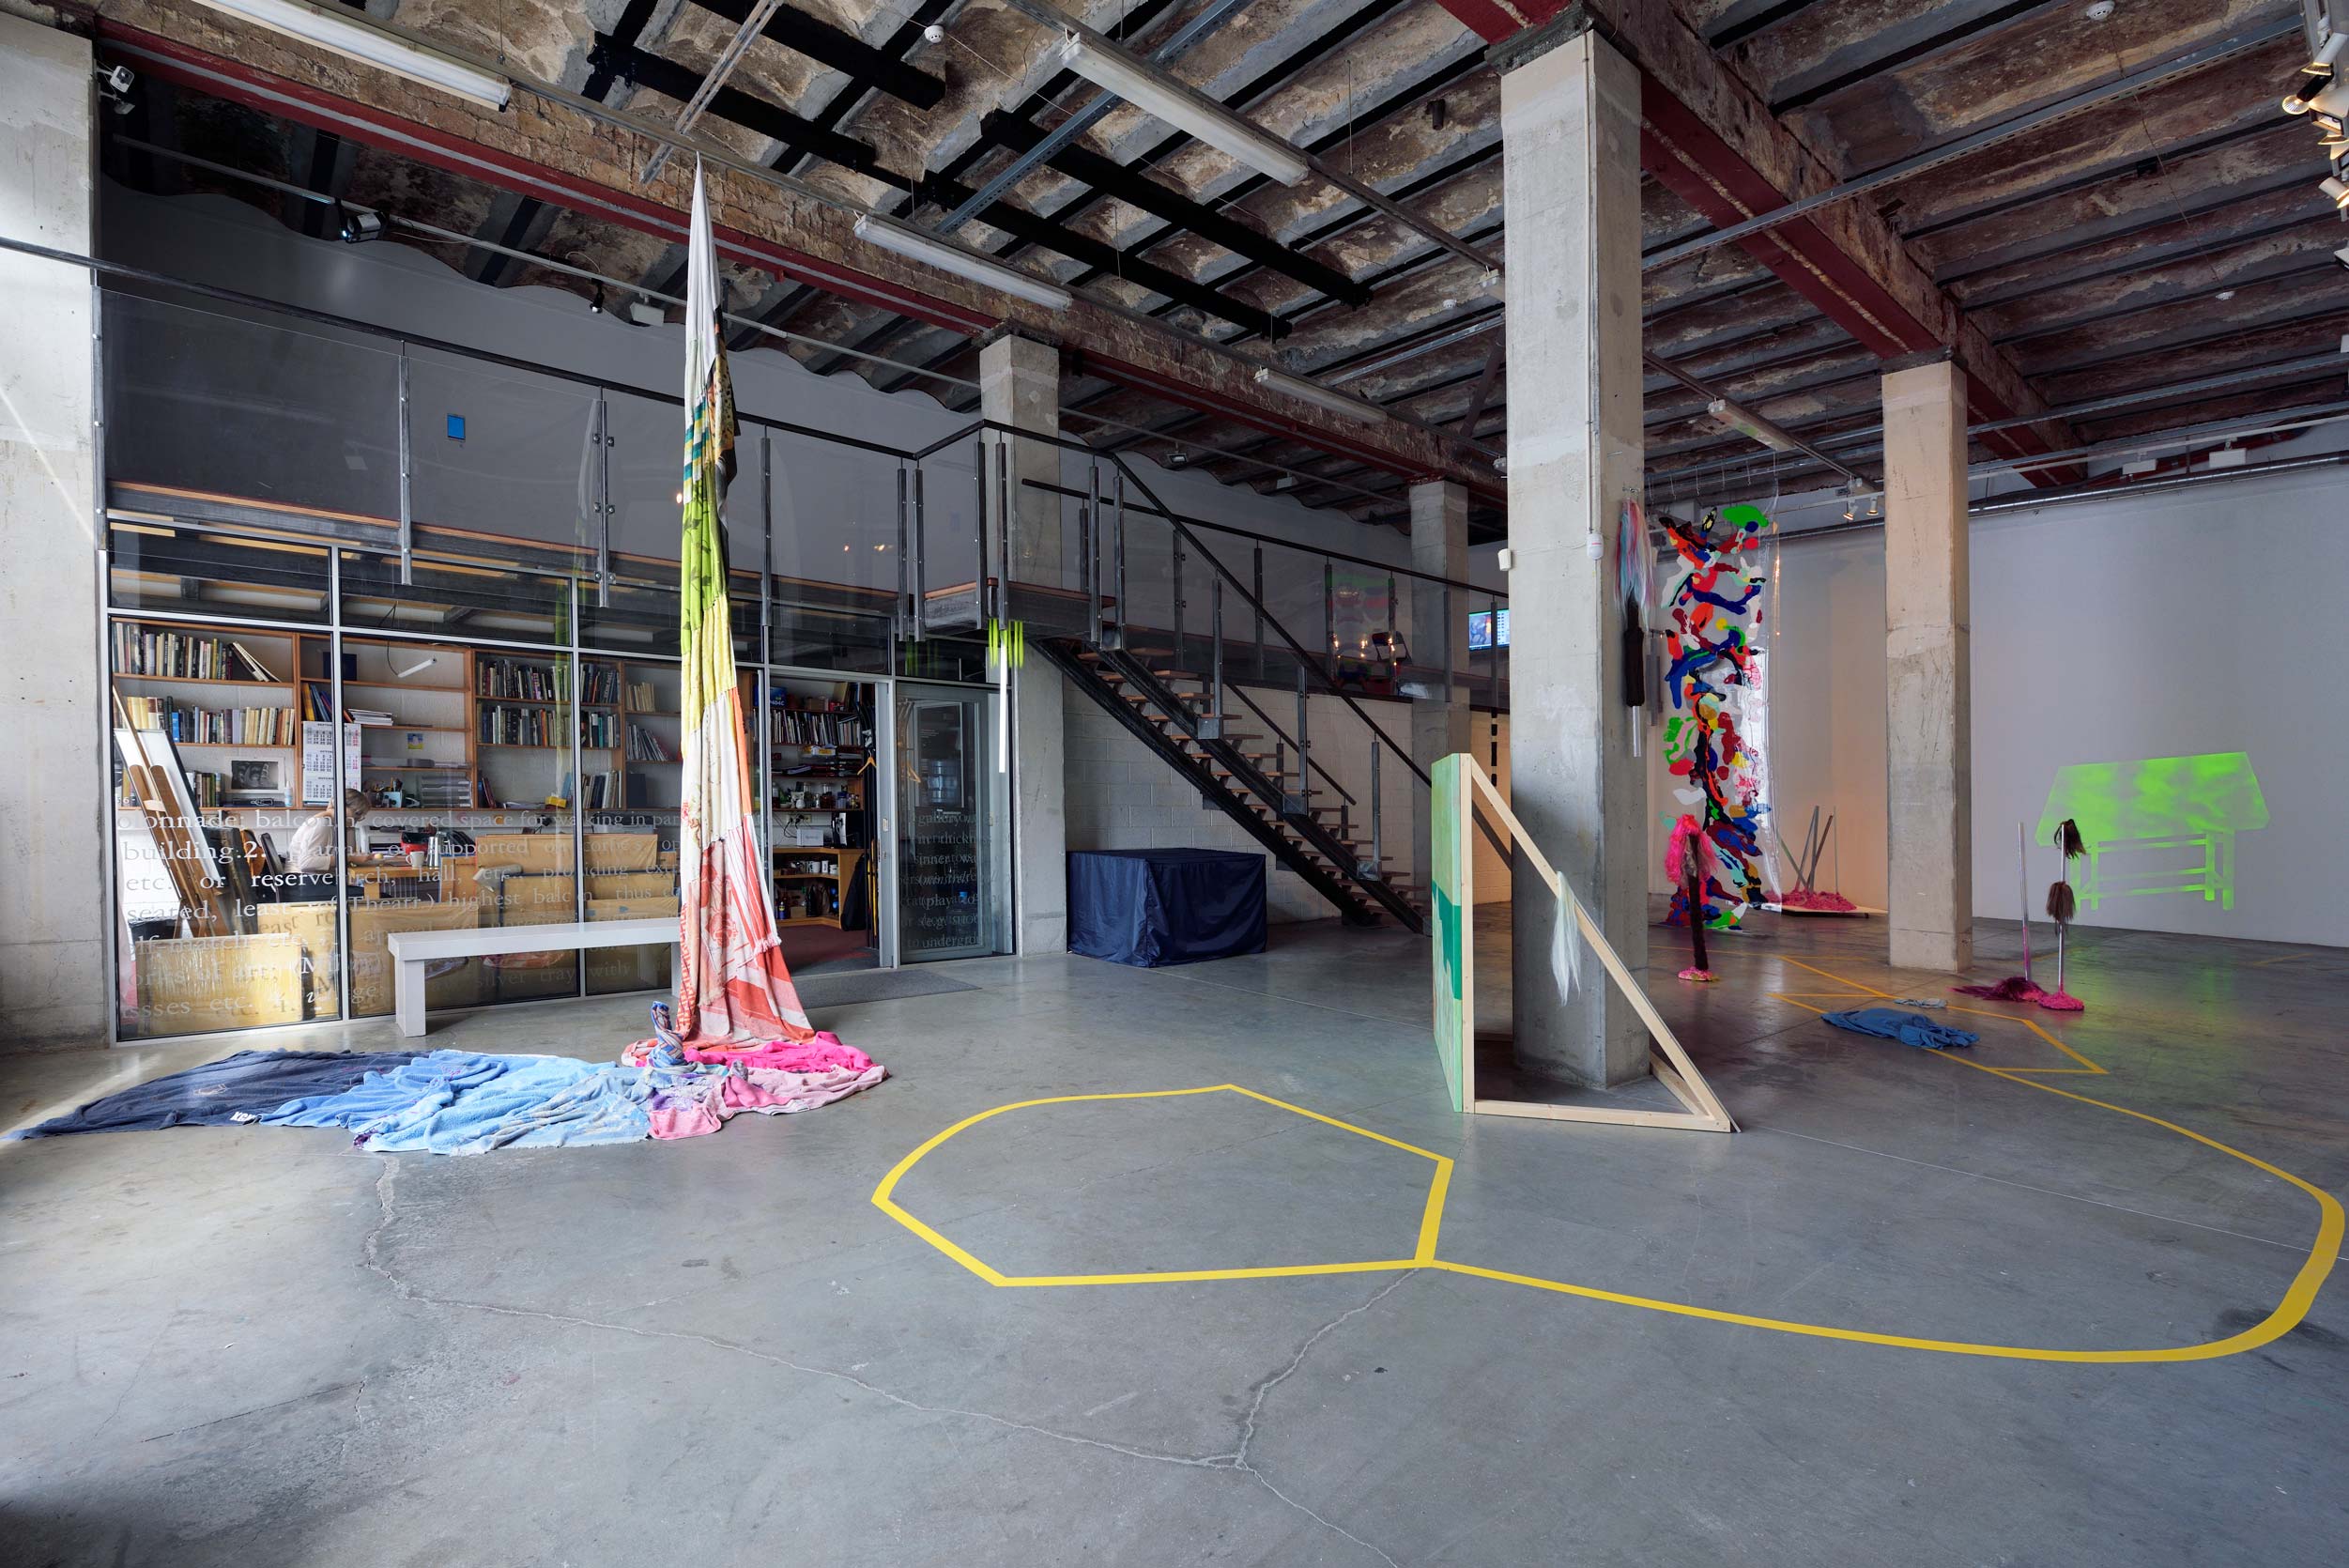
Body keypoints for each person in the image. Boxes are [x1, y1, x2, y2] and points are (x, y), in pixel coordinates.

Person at [284, 789, 374, 873]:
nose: (358, 818)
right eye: (357, 813)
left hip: (315, 879)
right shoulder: (322, 823)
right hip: (301, 879)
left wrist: (349, 827)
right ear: (341, 806)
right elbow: (306, 863)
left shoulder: (336, 823)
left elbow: (349, 853)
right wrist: (350, 858)